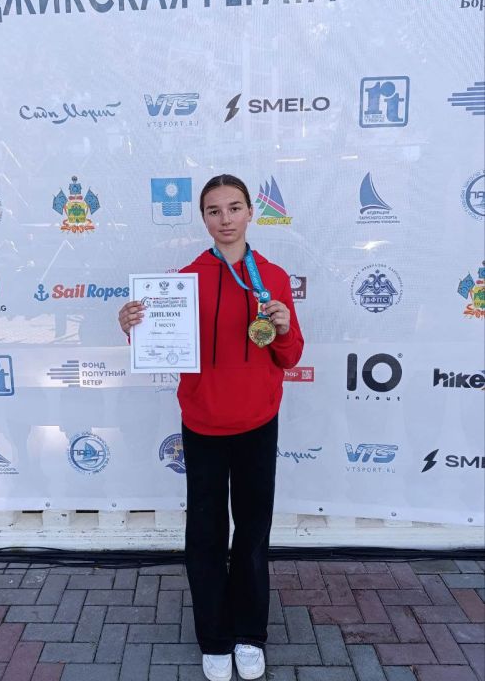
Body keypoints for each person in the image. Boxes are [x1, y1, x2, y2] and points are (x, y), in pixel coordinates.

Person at [118, 174, 304, 681]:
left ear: (250, 213)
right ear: (203, 218)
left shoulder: (274, 277)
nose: (225, 219)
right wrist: (134, 326)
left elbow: (289, 356)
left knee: (252, 533)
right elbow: (161, 345)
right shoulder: (182, 282)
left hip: (258, 423)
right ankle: (215, 637)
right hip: (202, 424)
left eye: (234, 208)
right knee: (205, 534)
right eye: (214, 210)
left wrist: (285, 328)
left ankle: (250, 633)